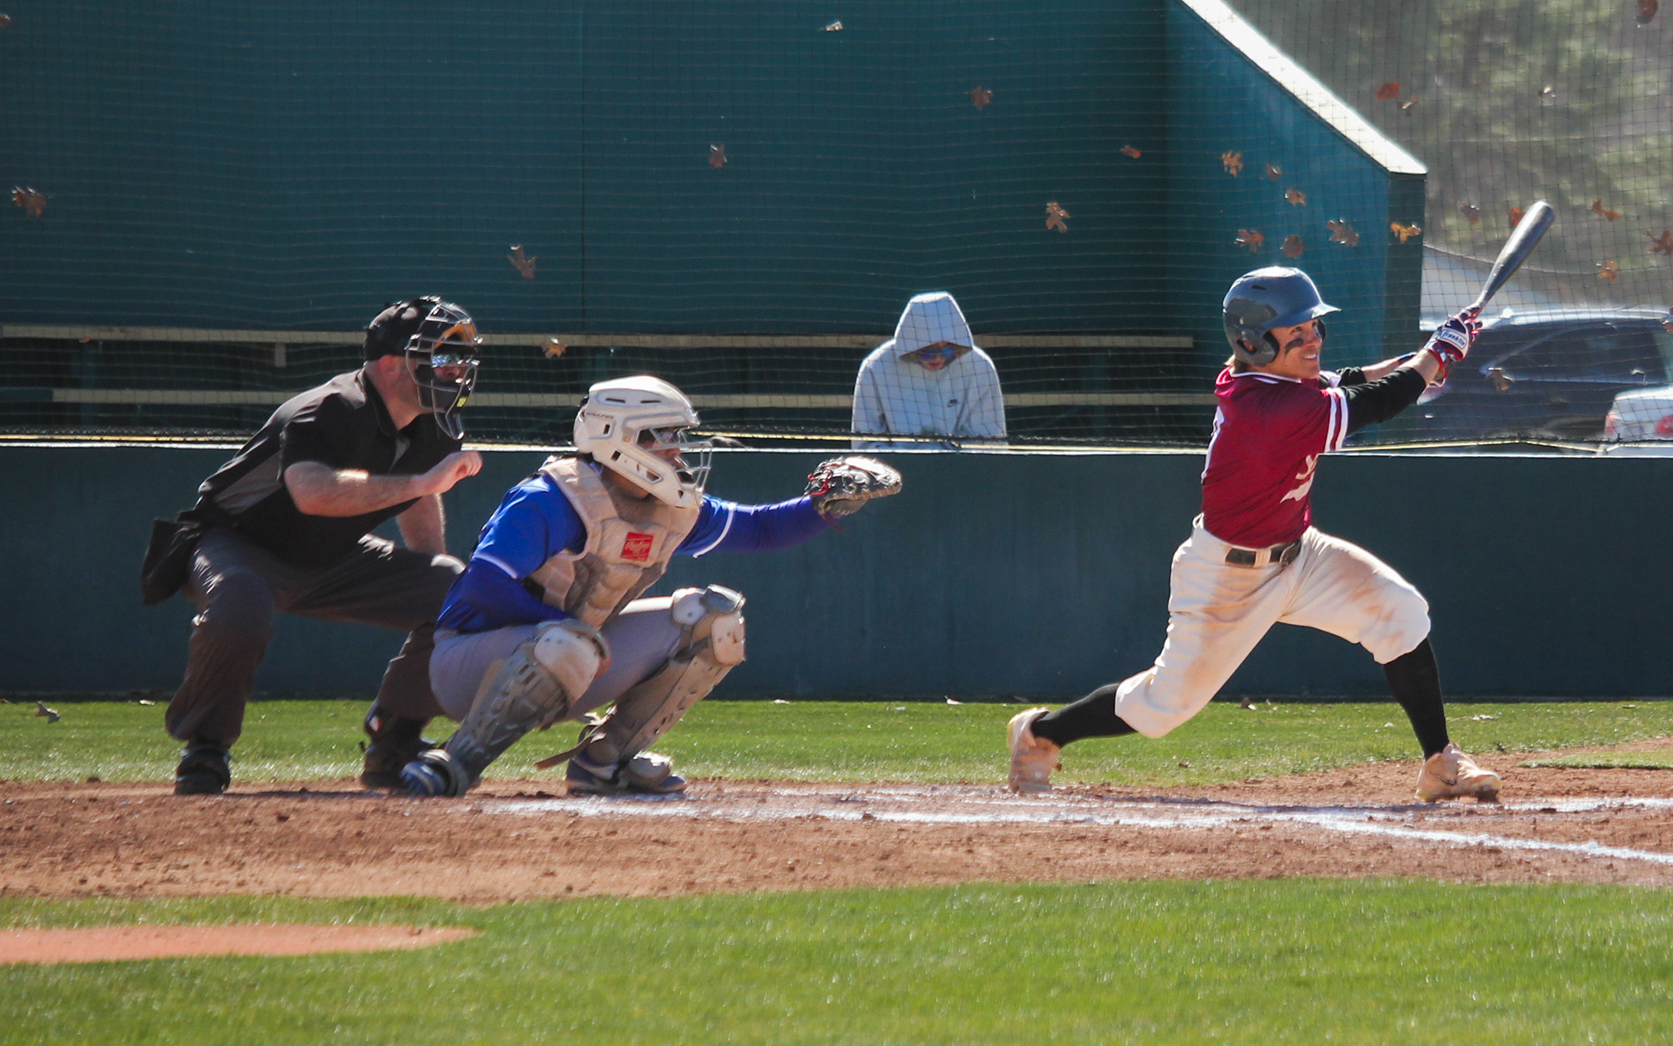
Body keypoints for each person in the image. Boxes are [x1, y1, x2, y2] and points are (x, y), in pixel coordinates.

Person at [1005, 266, 1502, 804]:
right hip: (1228, 575)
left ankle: (1439, 762)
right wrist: (1435, 357)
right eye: (1297, 332)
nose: (1313, 339)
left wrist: (1422, 361)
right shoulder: (1268, 408)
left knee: (1398, 611)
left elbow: (1349, 380)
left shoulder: (1274, 382)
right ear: (1253, 342)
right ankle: (1042, 733)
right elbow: (1375, 403)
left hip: (1300, 554)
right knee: (1164, 705)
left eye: (1314, 327)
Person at [398, 376, 900, 798]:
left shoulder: (668, 507)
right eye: (662, 436)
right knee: (568, 640)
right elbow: (484, 585)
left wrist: (820, 504)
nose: (676, 449)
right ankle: (457, 761)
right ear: (617, 437)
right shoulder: (550, 498)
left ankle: (604, 763)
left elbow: (761, 529)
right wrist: (565, 627)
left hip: (574, 656)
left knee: (715, 620)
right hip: (469, 665)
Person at [145, 297, 485, 796]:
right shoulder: (329, 407)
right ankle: (205, 748)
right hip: (238, 543)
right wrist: (420, 483)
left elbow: (418, 495)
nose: (454, 369)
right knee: (241, 602)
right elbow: (311, 492)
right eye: (440, 356)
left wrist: (430, 574)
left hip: (333, 555)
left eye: (460, 358)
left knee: (457, 591)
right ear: (391, 364)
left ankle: (393, 737)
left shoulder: (435, 423)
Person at [852, 291, 1006, 449]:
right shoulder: (876, 367)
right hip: (892, 464)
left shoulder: (979, 367)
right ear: (911, 347)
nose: (938, 358)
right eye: (928, 351)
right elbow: (865, 443)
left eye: (947, 350)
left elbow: (990, 441)